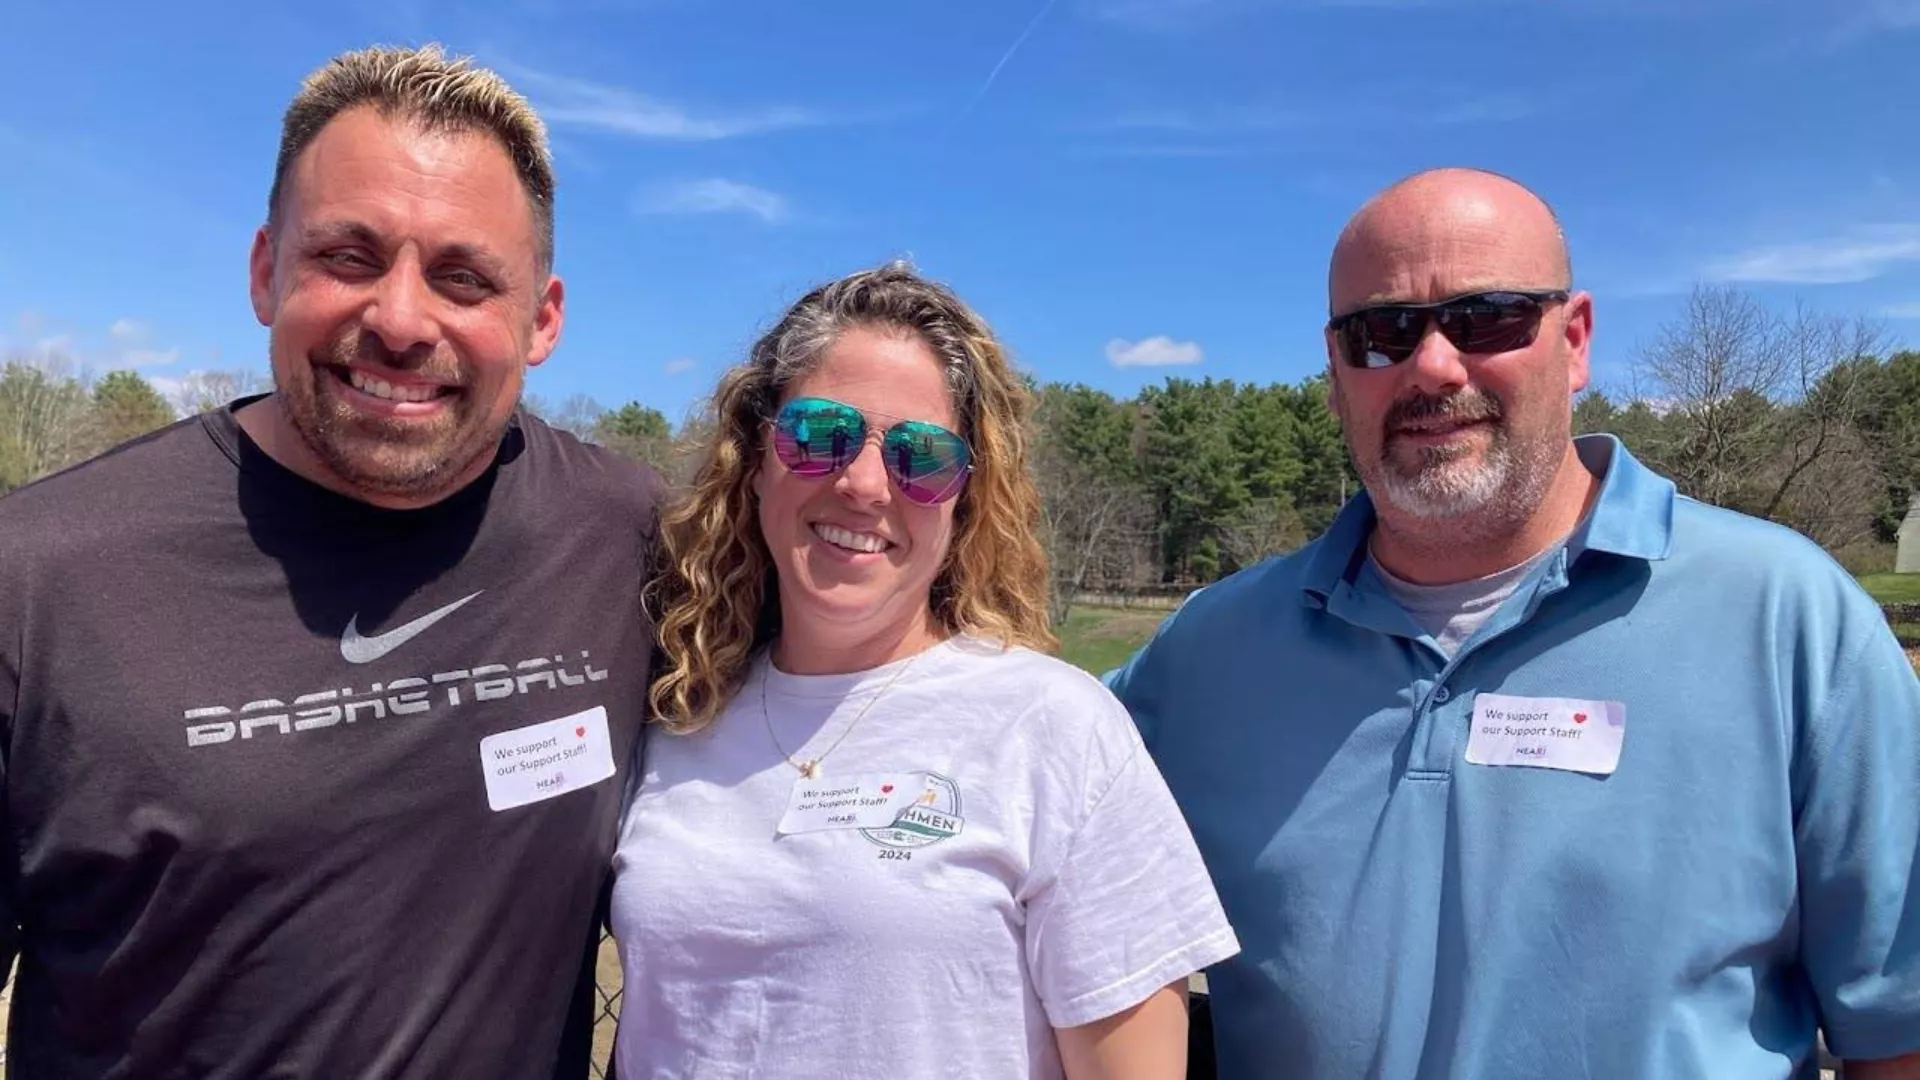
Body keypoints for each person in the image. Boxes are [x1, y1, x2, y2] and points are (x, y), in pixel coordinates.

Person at [1106, 168, 1920, 1079]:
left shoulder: (1786, 620)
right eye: (1382, 333)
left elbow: (1898, 1028)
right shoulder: (1209, 654)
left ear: (1573, 341)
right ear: (1336, 370)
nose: (1433, 367)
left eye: (1488, 317)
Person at [0, 45, 664, 1079]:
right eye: (349, 257)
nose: (399, 320)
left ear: (542, 318)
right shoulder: (37, 580)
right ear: (268, 271)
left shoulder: (637, 540)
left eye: (463, 276)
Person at [612, 263, 1239, 1079]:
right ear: (758, 453)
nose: (866, 482)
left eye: (921, 455)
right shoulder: (680, 713)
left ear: (964, 498)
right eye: (820, 434)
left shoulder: (1053, 727)